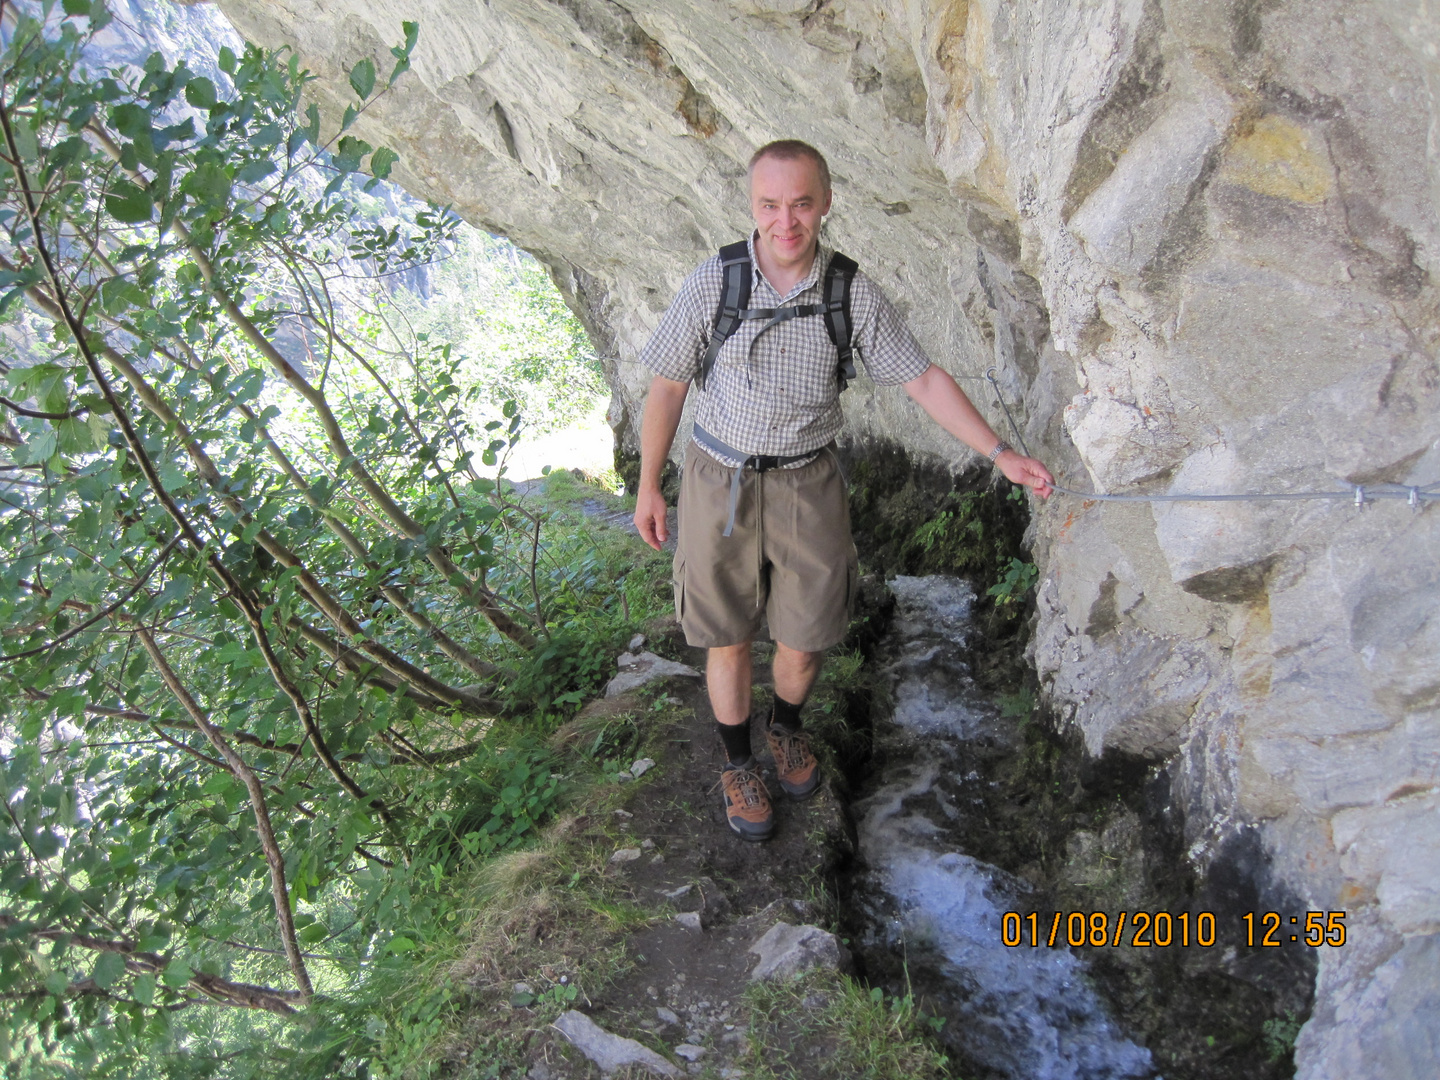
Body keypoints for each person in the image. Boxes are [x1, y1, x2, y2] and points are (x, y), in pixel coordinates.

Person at [633, 139, 1054, 841]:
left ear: (826, 203)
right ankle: (738, 764)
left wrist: (1000, 453)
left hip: (809, 478)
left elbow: (919, 377)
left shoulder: (848, 291)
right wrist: (651, 484)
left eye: (802, 203)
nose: (787, 220)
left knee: (807, 634)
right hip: (719, 478)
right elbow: (669, 384)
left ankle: (787, 728)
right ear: (752, 206)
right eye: (771, 204)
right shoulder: (716, 282)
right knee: (727, 633)